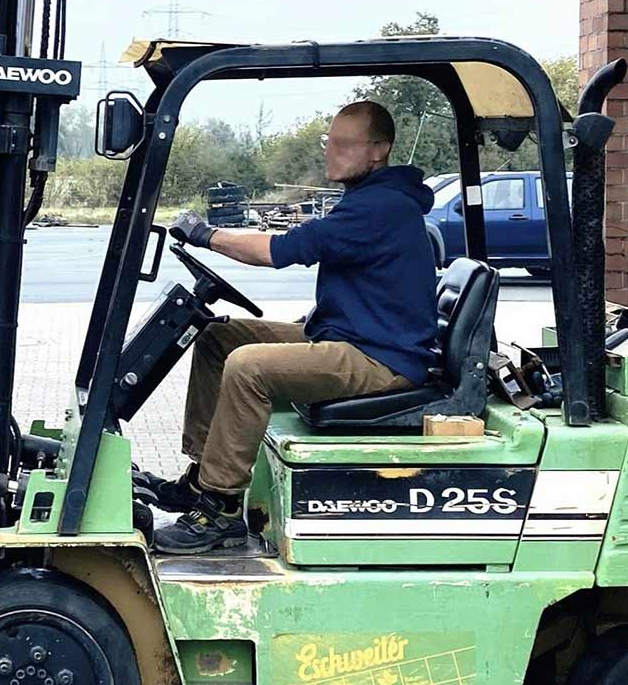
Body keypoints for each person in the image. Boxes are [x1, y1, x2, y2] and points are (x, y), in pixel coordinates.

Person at [144, 99, 438, 554]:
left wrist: (206, 235)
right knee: (220, 337)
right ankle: (202, 479)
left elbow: (281, 251)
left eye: (344, 145)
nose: (331, 153)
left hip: (381, 359)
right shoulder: (371, 199)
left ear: (379, 150)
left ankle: (219, 508)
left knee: (248, 366)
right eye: (330, 142)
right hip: (351, 338)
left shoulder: (381, 206)